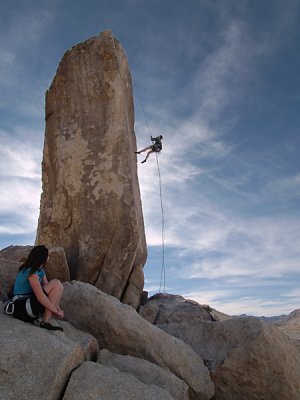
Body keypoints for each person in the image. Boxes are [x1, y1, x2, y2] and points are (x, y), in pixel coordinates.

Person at [11, 245, 64, 331]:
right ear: (43, 258)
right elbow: (40, 296)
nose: (48, 257)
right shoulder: (30, 271)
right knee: (56, 283)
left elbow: (52, 292)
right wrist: (55, 311)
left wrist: (58, 308)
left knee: (59, 286)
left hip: (29, 306)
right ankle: (45, 322)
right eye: (47, 255)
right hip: (21, 309)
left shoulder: (41, 271)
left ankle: (46, 322)